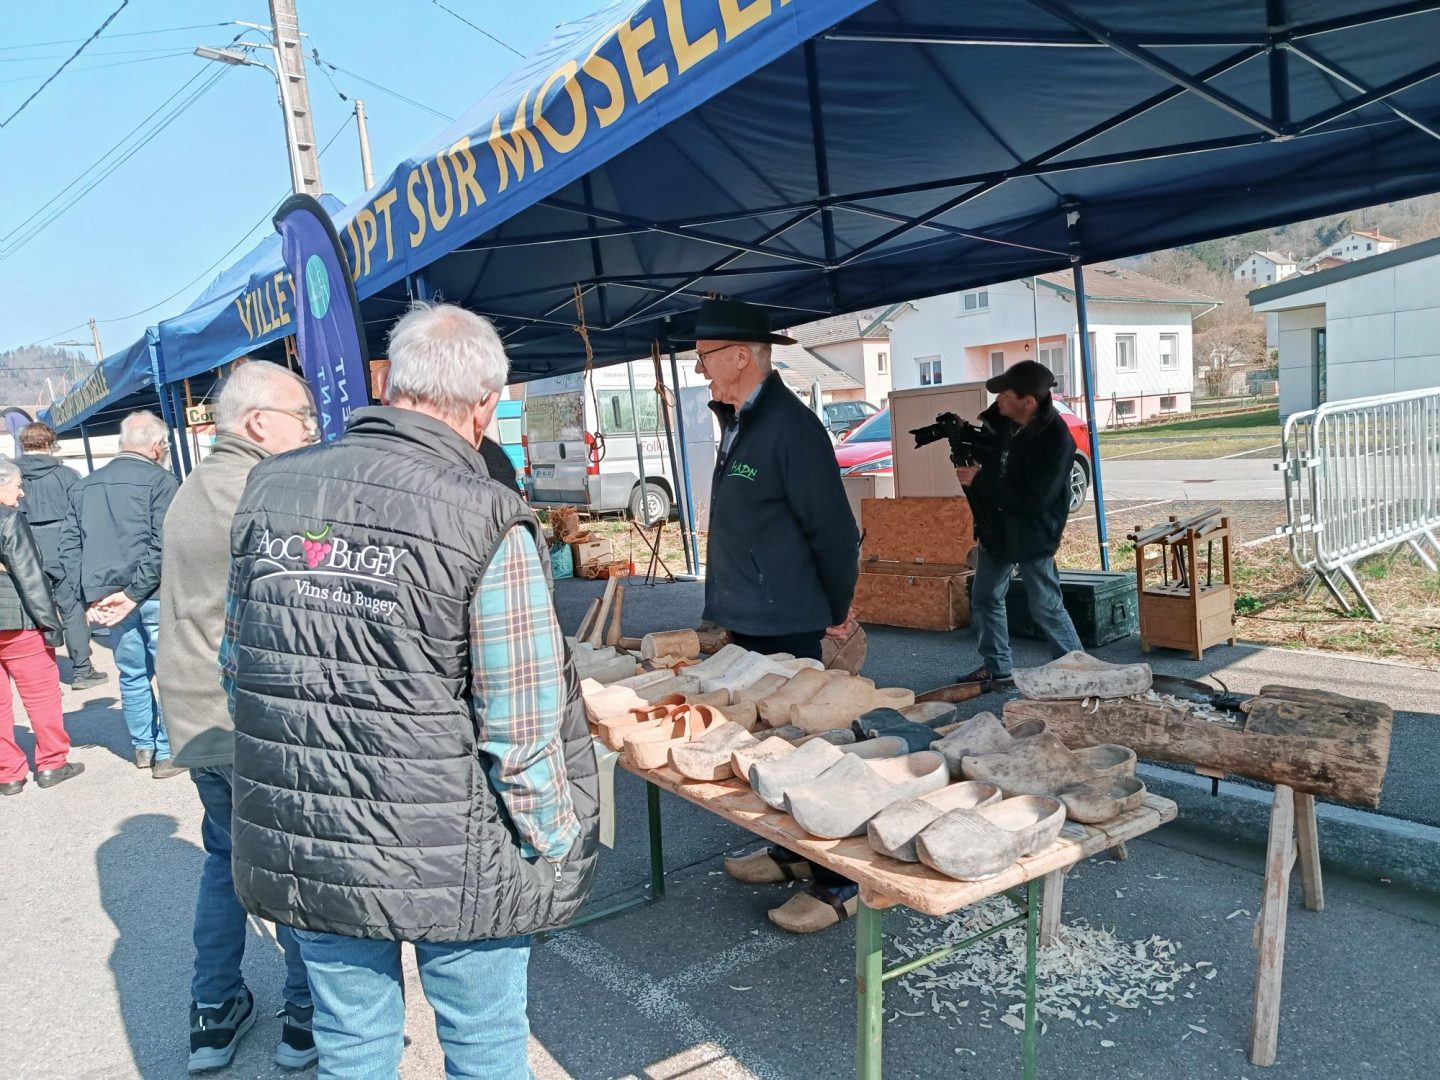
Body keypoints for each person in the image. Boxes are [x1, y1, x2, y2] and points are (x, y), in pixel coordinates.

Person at [225, 303, 598, 1077]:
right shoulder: (485, 514)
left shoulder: (268, 490)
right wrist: (558, 841)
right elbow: (521, 726)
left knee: (352, 1047)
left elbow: (240, 667)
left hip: (313, 837)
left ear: (390, 384)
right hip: (454, 853)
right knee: (485, 1050)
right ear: (486, 406)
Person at [156, 362, 319, 1072]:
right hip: (250, 718)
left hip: (197, 718)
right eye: (302, 416)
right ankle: (306, 1016)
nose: (311, 429)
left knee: (226, 861)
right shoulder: (264, 491)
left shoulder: (192, 487)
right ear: (258, 422)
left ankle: (213, 1010)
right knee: (296, 869)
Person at [681, 298, 862, 934]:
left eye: (705, 357)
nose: (700, 370)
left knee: (807, 750)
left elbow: (834, 530)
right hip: (750, 617)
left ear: (740, 356)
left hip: (789, 618)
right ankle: (791, 852)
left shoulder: (791, 427)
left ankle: (840, 880)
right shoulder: (739, 419)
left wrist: (836, 608)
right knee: (767, 751)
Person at [58, 410, 182, 778]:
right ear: (157, 445)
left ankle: (143, 746)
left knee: (131, 674)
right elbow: (164, 545)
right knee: (169, 674)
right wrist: (133, 592)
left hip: (109, 599)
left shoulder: (84, 486)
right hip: (152, 593)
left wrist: (88, 599)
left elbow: (69, 549)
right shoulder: (162, 482)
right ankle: (168, 751)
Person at [953, 359, 1084, 684]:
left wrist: (980, 481)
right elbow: (995, 456)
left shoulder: (1057, 440)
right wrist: (964, 434)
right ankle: (998, 668)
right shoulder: (1004, 423)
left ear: (1028, 401)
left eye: (1005, 395)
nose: (998, 400)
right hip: (997, 528)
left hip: (1033, 533)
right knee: (985, 596)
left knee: (1046, 606)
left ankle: (1079, 673)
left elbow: (1034, 499)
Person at [0, 457, 80, 795]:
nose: (21, 494)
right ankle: (51, 763)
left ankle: (8, 773)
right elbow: (29, 576)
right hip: (16, 621)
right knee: (41, 694)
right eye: (17, 486)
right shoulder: (8, 518)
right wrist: (50, 625)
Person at [16, 422, 105, 689]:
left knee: (34, 613)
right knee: (72, 609)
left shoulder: (9, 475)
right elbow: (85, 516)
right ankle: (82, 671)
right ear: (48, 444)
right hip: (63, 547)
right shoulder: (67, 475)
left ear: (23, 444)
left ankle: (42, 676)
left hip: (24, 548)